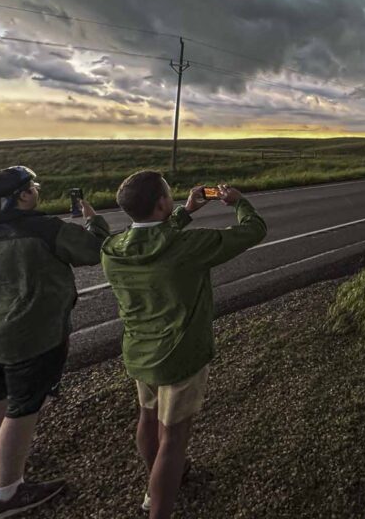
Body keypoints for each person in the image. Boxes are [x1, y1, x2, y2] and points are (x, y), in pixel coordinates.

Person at [0, 165, 109, 518]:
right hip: (31, 338)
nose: (37, 191)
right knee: (23, 408)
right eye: (34, 187)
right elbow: (94, 251)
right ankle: (8, 493)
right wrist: (94, 221)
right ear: (22, 195)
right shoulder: (46, 229)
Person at [101, 171, 267, 519]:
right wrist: (239, 203)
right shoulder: (188, 247)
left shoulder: (112, 250)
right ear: (162, 202)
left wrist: (185, 211)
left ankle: (159, 483)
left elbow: (152, 238)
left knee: (147, 419)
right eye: (168, 197)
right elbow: (254, 230)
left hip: (139, 351)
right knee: (173, 440)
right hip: (180, 354)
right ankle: (158, 504)